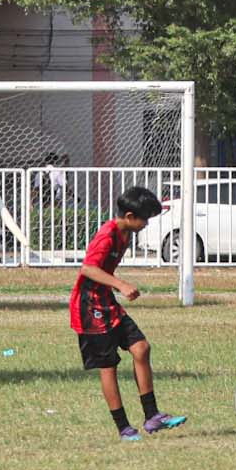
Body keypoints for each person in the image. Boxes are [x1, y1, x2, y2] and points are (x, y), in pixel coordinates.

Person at [71, 185, 185, 440]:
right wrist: (121, 284)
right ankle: (123, 427)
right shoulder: (108, 234)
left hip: (107, 302)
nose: (146, 225)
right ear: (131, 217)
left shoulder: (125, 233)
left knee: (141, 348)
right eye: (145, 219)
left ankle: (152, 416)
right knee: (108, 366)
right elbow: (88, 269)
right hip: (90, 308)